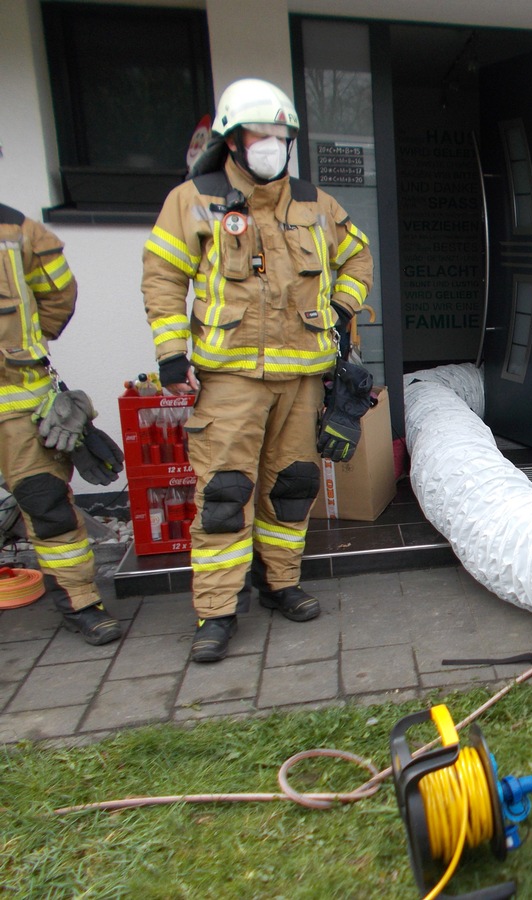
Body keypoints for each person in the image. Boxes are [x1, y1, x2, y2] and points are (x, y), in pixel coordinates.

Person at [141, 78, 373, 663]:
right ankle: (216, 612)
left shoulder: (317, 204)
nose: (273, 144)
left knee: (291, 488)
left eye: (282, 135)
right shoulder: (193, 199)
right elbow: (163, 275)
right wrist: (171, 351)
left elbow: (358, 255)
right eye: (260, 134)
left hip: (301, 379)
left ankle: (281, 583)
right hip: (230, 381)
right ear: (233, 139)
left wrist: (343, 306)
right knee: (224, 494)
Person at [0, 204, 122, 644]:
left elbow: (57, 296)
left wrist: (22, 348)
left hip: (19, 396)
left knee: (46, 502)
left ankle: (82, 603)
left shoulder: (18, 230)